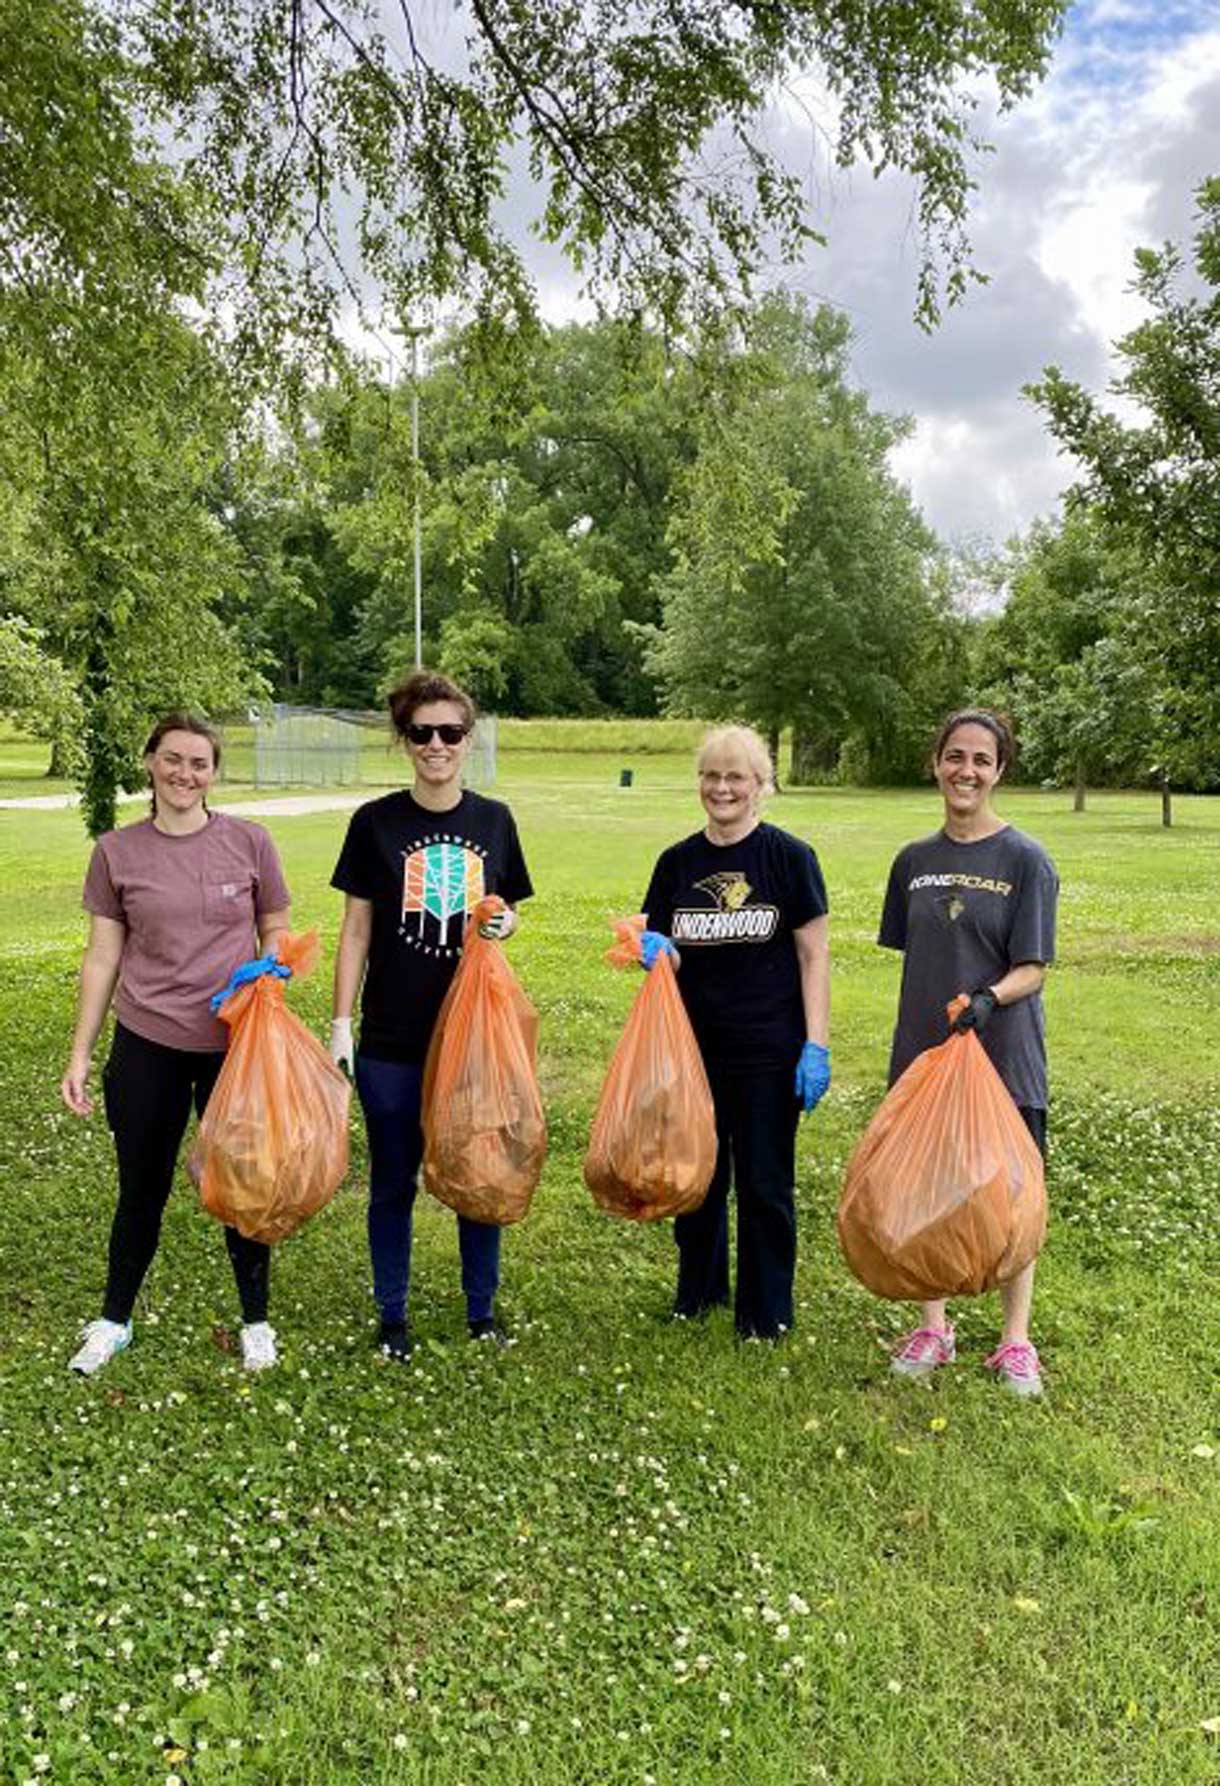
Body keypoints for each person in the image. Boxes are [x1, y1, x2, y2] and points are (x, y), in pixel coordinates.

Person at [62, 713, 292, 1375]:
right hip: (147, 1043)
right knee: (142, 1188)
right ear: (150, 763)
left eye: (199, 763)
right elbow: (103, 958)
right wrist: (81, 1052)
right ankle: (113, 1319)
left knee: (240, 1186)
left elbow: (275, 925)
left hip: (233, 1047)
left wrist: (268, 966)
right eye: (173, 760)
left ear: (214, 773)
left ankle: (256, 1322)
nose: (185, 774)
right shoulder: (116, 852)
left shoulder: (250, 842)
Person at [330, 670, 532, 1360]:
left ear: (468, 739)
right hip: (392, 1035)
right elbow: (355, 930)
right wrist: (339, 1024)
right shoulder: (374, 824)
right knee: (393, 1180)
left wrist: (503, 925)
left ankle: (481, 1309)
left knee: (480, 1175)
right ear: (404, 739)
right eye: (422, 732)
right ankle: (393, 1315)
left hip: (474, 1036)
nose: (437, 744)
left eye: (451, 732)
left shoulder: (494, 821)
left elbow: (506, 911)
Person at [879, 707, 1058, 1398]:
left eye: (982, 760)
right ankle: (935, 1324)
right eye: (956, 756)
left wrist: (989, 997)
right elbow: (916, 953)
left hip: (1003, 1054)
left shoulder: (1025, 859)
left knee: (1013, 1197)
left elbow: (1033, 967)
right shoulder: (914, 862)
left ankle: (1015, 1340)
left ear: (999, 771)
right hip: (926, 1053)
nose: (967, 771)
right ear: (936, 764)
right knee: (929, 1187)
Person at [638, 724, 830, 1340]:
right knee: (696, 1174)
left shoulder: (790, 859)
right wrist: (653, 950)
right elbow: (663, 946)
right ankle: (700, 1290)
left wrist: (815, 1043)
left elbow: (813, 956)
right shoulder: (676, 863)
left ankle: (766, 1311)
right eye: (711, 776)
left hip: (769, 1050)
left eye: (736, 777)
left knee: (764, 1181)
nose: (722, 788)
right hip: (693, 1049)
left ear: (760, 785)